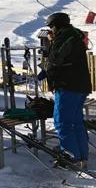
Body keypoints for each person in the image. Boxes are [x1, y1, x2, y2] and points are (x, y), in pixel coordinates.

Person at [45, 12, 91, 166]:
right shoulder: (75, 36)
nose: (51, 31)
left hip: (67, 85)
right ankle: (81, 157)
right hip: (80, 86)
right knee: (76, 122)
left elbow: (54, 62)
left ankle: (71, 157)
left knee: (62, 122)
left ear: (56, 26)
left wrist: (51, 81)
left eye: (51, 27)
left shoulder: (63, 38)